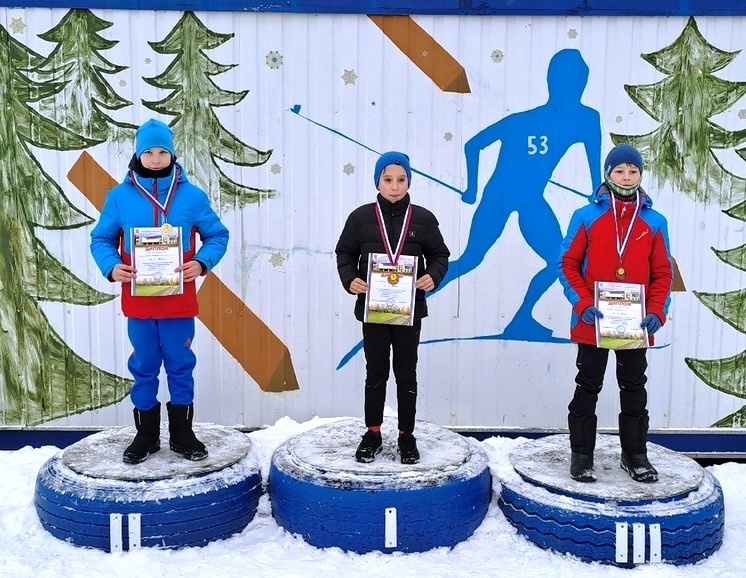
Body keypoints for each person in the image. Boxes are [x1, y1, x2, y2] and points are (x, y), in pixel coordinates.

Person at [431, 49, 601, 340]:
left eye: (576, 81)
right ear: (552, 82)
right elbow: (473, 145)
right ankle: (413, 299)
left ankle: (522, 320)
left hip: (531, 200)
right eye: (563, 80)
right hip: (498, 196)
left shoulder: (586, 119)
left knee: (560, 262)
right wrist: (472, 189)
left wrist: (597, 190)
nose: (570, 87)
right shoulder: (522, 121)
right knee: (471, 259)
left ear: (582, 83)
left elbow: (594, 161)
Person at [90, 118, 229, 465]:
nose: (155, 159)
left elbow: (217, 235)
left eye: (162, 152)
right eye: (149, 152)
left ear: (172, 154)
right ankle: (147, 435)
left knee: (181, 366)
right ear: (138, 154)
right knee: (144, 367)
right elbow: (101, 239)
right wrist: (112, 266)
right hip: (139, 304)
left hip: (179, 304)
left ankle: (182, 434)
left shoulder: (192, 196)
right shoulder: (119, 197)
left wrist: (201, 262)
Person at [558, 143, 673, 483]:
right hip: (593, 321)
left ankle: (635, 455)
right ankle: (581, 456)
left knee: (634, 386)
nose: (626, 176)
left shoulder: (654, 221)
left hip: (635, 324)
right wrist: (582, 303)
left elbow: (663, 273)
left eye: (633, 170)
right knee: (588, 384)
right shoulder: (586, 216)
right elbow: (567, 264)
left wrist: (657, 312)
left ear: (641, 174)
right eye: (619, 170)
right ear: (608, 173)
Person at [335, 151, 449, 464]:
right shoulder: (360, 218)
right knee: (376, 372)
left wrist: (433, 275)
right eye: (387, 180)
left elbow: (440, 255)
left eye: (401, 179)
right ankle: (372, 432)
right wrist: (350, 279)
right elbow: (344, 253)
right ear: (378, 182)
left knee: (406, 373)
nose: (394, 186)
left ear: (409, 182)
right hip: (374, 309)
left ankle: (406, 435)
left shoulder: (423, 219)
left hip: (408, 311)